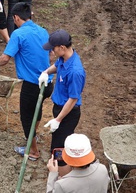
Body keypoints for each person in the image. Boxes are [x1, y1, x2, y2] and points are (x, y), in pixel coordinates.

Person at [0, 2, 53, 161]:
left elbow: (5, 58)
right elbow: (51, 55)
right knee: (36, 112)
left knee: (26, 118)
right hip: (48, 83)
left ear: (16, 17)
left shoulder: (18, 34)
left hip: (32, 86)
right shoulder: (43, 31)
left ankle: (33, 151)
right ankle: (33, 139)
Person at [39, 29, 86, 177]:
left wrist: (58, 119)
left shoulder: (75, 71)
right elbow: (57, 66)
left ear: (62, 48)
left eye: (53, 48)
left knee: (60, 150)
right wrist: (46, 72)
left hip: (67, 114)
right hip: (60, 109)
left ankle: (63, 180)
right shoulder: (65, 58)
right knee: (57, 144)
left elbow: (73, 99)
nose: (52, 51)